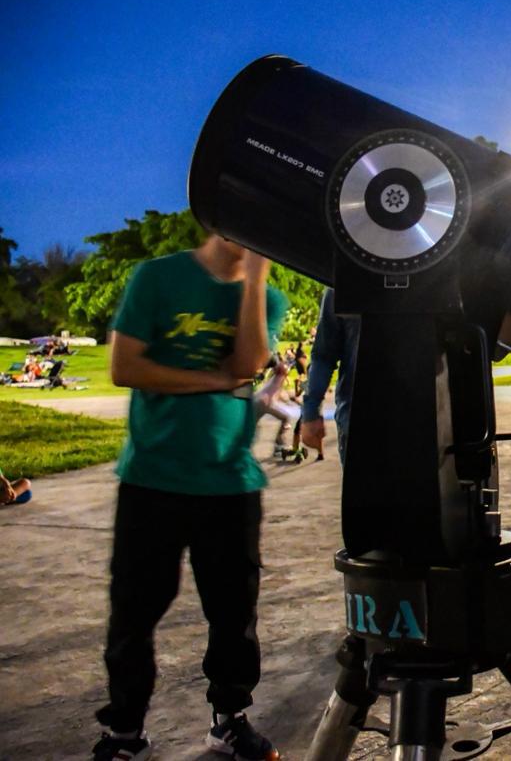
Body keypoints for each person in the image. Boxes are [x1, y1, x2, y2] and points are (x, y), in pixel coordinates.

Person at [92, 233, 286, 761]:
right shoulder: (157, 277)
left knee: (233, 616)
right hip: (152, 480)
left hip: (230, 484)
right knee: (133, 615)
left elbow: (246, 366)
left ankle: (229, 721)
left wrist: (256, 277)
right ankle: (124, 732)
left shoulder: (266, 298)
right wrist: (209, 380)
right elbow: (125, 367)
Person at [300, 287, 359, 465]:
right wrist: (311, 411)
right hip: (354, 417)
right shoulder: (342, 281)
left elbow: (324, 355)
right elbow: (324, 354)